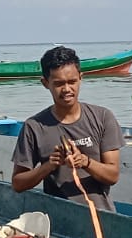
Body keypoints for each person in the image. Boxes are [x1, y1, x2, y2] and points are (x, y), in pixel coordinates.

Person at [10, 45, 125, 210]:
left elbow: (113, 176)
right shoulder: (34, 127)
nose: (66, 89)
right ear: (45, 83)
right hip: (59, 216)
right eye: (58, 84)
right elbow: (18, 183)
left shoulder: (103, 117)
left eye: (72, 82)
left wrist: (85, 162)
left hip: (101, 215)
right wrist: (49, 166)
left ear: (80, 78)